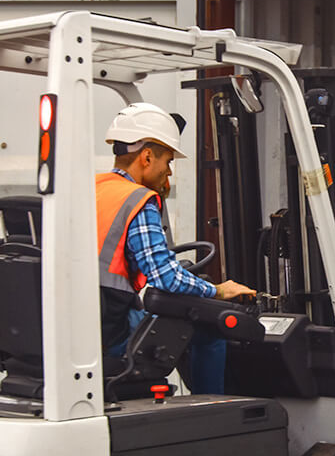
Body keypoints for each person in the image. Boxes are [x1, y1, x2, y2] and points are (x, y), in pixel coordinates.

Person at [96, 102, 255, 393]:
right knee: (209, 330)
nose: (168, 171)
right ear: (146, 157)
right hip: (110, 330)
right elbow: (165, 277)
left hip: (86, 322)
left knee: (164, 321)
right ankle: (212, 412)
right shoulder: (137, 199)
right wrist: (218, 291)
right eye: (167, 161)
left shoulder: (94, 187)